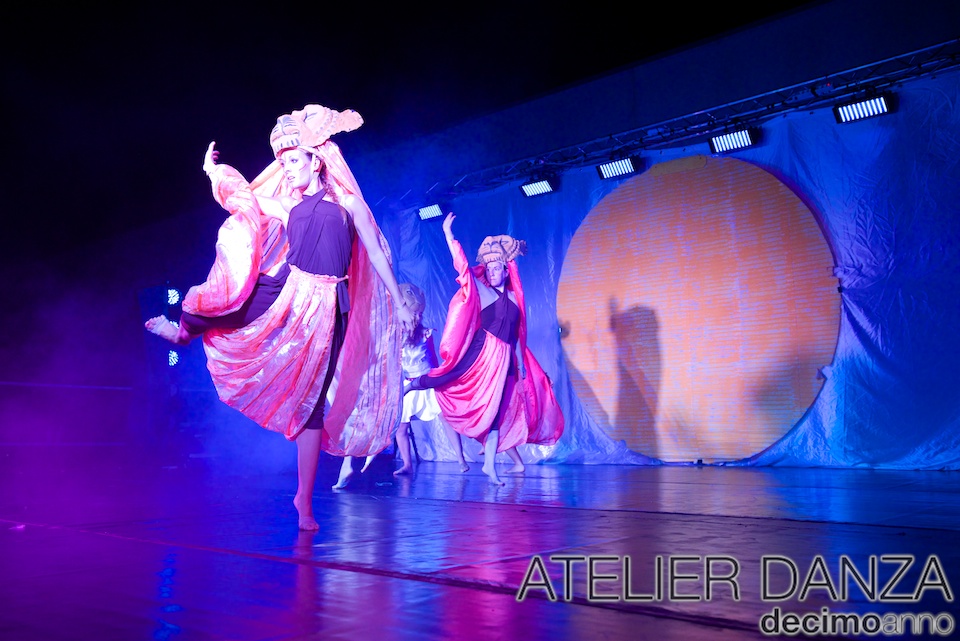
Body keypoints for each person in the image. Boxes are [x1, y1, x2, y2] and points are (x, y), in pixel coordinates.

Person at [146, 104, 413, 529]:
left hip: (331, 305)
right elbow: (243, 198)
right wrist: (213, 172)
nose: (286, 169)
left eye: (293, 161)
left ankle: (303, 500)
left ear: (315, 160)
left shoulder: (348, 204)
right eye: (283, 163)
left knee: (313, 403)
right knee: (231, 303)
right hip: (289, 289)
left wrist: (398, 301)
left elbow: (377, 254)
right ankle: (182, 333)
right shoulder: (289, 208)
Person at [406, 212, 564, 485]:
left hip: (506, 360)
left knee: (498, 412)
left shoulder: (515, 299)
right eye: (489, 269)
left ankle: (490, 465)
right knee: (449, 375)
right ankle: (412, 384)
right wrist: (449, 236)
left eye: (497, 268)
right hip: (483, 352)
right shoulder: (485, 293)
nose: (492, 272)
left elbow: (516, 337)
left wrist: (521, 365)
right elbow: (464, 271)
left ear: (506, 270)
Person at [333, 282, 469, 489]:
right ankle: (407, 464)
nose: (415, 318)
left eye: (418, 315)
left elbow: (432, 360)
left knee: (444, 416)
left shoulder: (425, 333)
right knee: (401, 427)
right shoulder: (393, 334)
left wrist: (436, 380)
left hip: (424, 382)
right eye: (412, 314)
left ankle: (460, 459)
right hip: (404, 385)